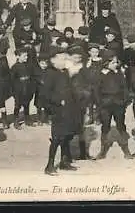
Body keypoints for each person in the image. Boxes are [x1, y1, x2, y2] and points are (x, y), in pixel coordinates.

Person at [41, 47, 79, 175]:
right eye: (61, 59)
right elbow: (45, 93)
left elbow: (70, 88)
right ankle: (49, 166)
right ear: (52, 60)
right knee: (57, 138)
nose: (64, 61)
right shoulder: (49, 73)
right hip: (58, 110)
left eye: (65, 58)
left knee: (67, 136)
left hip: (69, 109)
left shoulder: (65, 72)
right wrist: (58, 101)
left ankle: (64, 162)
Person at [93, 49, 133, 160]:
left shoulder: (119, 73)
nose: (115, 64)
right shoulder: (100, 74)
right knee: (105, 126)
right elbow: (96, 90)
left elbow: (125, 88)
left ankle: (126, 149)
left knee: (121, 125)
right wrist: (99, 103)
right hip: (105, 105)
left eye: (116, 62)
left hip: (118, 104)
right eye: (112, 63)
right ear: (106, 63)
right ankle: (103, 150)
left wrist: (124, 101)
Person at [66, 45, 94, 161]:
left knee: (81, 128)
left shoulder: (83, 69)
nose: (77, 60)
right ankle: (67, 155)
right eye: (74, 57)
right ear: (70, 57)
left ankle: (83, 153)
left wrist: (86, 96)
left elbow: (88, 85)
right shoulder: (65, 68)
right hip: (68, 103)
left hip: (81, 102)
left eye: (79, 58)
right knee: (68, 128)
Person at [10, 47, 36, 129]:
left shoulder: (28, 65)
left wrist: (32, 88)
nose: (26, 57)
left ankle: (27, 119)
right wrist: (14, 91)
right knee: (17, 105)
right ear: (18, 56)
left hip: (27, 89)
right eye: (24, 56)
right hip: (19, 90)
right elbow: (11, 80)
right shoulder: (14, 67)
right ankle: (16, 121)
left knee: (27, 104)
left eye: (27, 56)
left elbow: (32, 77)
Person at [85, 42, 103, 125]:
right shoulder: (87, 61)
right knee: (90, 102)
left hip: (98, 84)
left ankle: (98, 118)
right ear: (89, 52)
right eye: (93, 52)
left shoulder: (101, 61)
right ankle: (91, 117)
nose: (95, 54)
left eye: (96, 52)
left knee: (98, 101)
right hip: (89, 84)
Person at [34, 53, 51, 126]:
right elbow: (35, 79)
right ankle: (39, 119)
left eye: (45, 64)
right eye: (42, 63)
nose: (44, 65)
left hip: (47, 92)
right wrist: (40, 81)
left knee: (47, 106)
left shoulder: (49, 71)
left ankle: (47, 119)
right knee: (39, 106)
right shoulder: (36, 71)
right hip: (39, 92)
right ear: (39, 63)